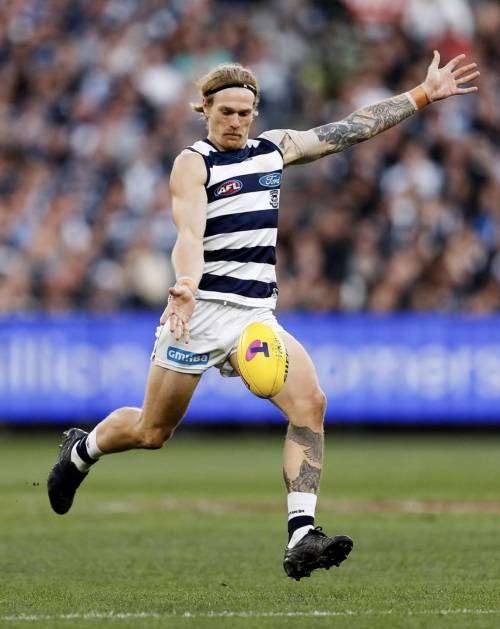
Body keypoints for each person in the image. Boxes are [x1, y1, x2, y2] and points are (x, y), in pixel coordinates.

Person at [48, 51, 479, 580]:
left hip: (254, 316)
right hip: (199, 313)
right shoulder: (193, 162)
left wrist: (421, 95)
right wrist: (184, 285)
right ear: (204, 108)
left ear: (255, 112)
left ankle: (302, 534)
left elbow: (348, 130)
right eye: (225, 112)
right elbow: (188, 233)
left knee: (311, 403)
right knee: (151, 430)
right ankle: (81, 451)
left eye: (244, 113)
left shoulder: (274, 149)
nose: (235, 122)